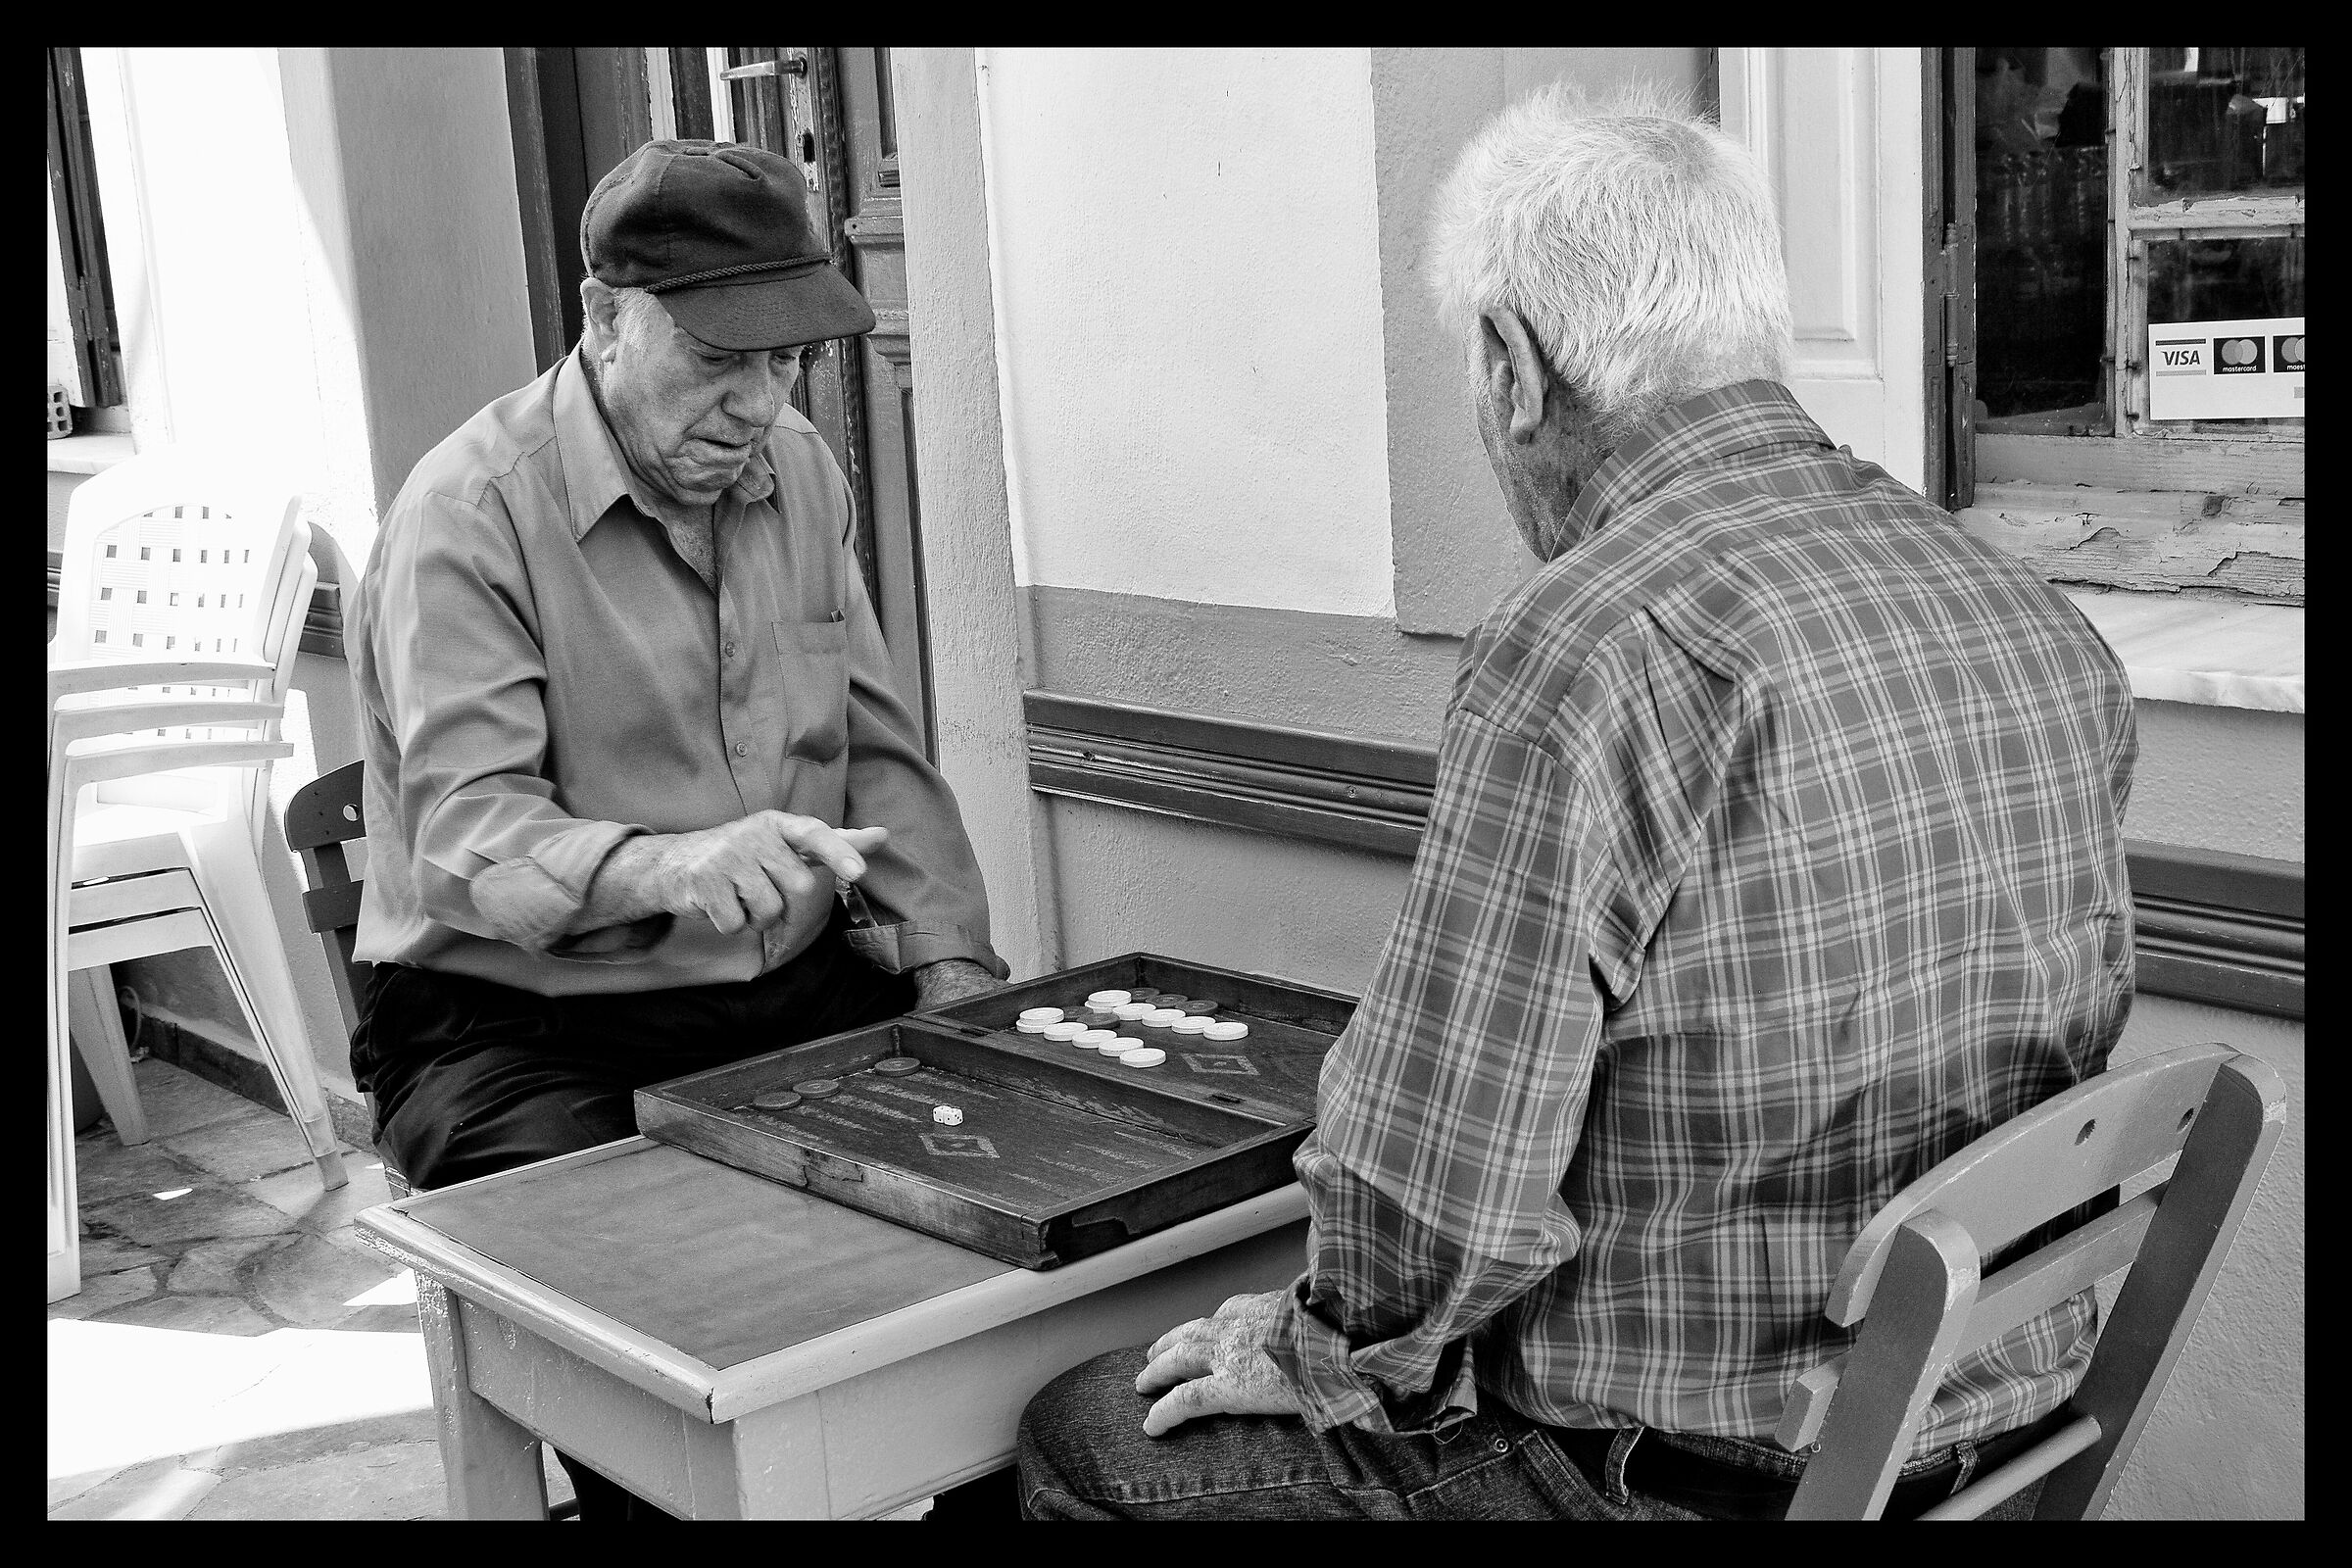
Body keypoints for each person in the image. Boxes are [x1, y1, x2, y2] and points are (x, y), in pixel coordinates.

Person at [1015, 87, 2137, 1522]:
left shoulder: (1587, 645)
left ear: (1512, 364)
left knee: (1085, 1436)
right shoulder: (2018, 606)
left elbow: (1438, 1209)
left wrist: (1313, 1343)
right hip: (1992, 1417)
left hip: (1694, 1480)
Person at [346, 139, 1006, 1518]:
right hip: (518, 1027)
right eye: (720, 359)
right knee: (676, 1375)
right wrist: (670, 864)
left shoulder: (802, 471)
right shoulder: (468, 513)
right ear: (603, 321)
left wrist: (952, 977)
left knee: (999, 1310)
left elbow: (876, 754)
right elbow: (469, 836)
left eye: (785, 363)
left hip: (779, 991)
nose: (759, 403)